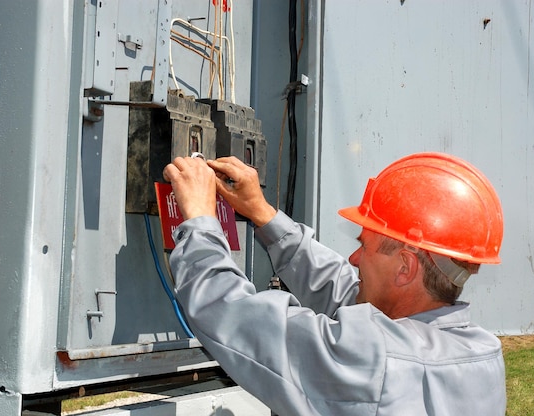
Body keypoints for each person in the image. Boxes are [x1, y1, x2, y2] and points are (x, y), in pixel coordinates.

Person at [163, 152, 506, 416]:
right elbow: (348, 294)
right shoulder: (482, 354)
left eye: (364, 246)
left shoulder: (377, 360)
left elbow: (231, 314)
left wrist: (201, 222)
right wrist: (263, 214)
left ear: (405, 267)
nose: (354, 259)